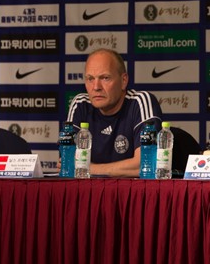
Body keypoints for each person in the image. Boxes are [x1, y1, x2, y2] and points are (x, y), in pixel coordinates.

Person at [65, 48, 162, 177]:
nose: (96, 87)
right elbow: (67, 163)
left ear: (124, 81)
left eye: (105, 78)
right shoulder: (80, 104)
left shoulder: (140, 102)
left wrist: (89, 168)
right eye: (90, 79)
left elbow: (147, 164)